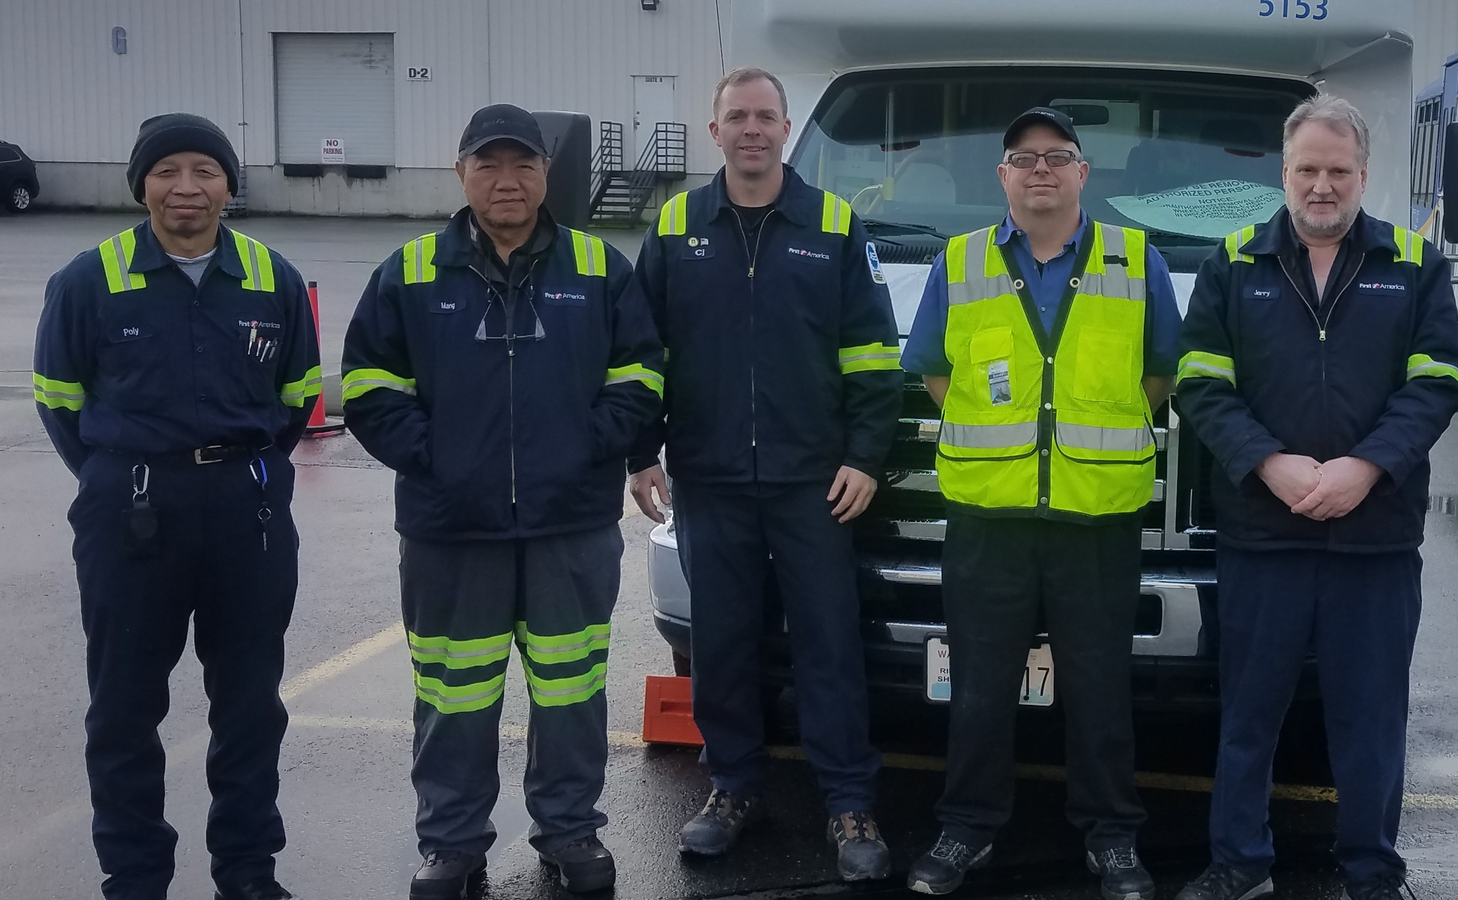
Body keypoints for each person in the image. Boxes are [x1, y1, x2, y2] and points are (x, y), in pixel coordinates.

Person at [341, 104, 665, 900]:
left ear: (546, 175)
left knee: (571, 690)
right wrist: (441, 463)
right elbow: (368, 386)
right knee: (453, 695)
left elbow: (643, 375)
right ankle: (452, 844)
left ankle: (568, 829)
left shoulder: (598, 268)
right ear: (461, 174)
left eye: (522, 164)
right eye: (488, 165)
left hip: (570, 525)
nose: (506, 180)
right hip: (452, 529)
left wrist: (586, 450)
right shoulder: (411, 272)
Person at [1173, 96, 1458, 900]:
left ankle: (1372, 871)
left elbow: (1438, 383)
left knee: (1370, 723)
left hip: (1374, 539)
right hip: (1263, 535)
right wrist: (1268, 463)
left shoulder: (1415, 264)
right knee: (1249, 717)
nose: (1323, 185)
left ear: (1364, 175)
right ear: (1284, 171)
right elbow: (1199, 386)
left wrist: (1366, 469)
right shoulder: (1233, 263)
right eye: (1308, 169)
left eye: (1340, 171)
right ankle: (1238, 862)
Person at [32, 113, 321, 900]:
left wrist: (239, 472)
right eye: (166, 172)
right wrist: (116, 477)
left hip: (247, 516)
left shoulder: (275, 279)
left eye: (204, 170)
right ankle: (133, 877)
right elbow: (60, 401)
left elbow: (296, 399)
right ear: (141, 185)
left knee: (250, 708)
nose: (186, 188)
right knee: (123, 710)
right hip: (129, 514)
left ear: (230, 185)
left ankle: (248, 872)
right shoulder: (88, 281)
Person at [626, 68, 903, 881]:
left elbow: (874, 356)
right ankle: (732, 788)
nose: (753, 129)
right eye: (737, 116)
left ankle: (849, 803)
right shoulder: (677, 226)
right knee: (722, 643)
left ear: (787, 129)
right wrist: (643, 451)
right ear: (714, 131)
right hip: (709, 476)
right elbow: (643, 355)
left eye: (766, 117)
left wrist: (863, 456)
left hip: (813, 481)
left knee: (829, 643)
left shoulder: (833, 224)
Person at [899, 106, 1182, 900]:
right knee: (981, 684)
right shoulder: (959, 263)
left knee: (1100, 684)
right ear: (1003, 177)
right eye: (1023, 159)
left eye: (1058, 157)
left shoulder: (1137, 261)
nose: (1041, 171)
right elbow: (933, 369)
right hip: (992, 517)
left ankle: (1113, 835)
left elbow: (1159, 377)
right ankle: (966, 827)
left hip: (1098, 516)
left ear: (1083, 174)